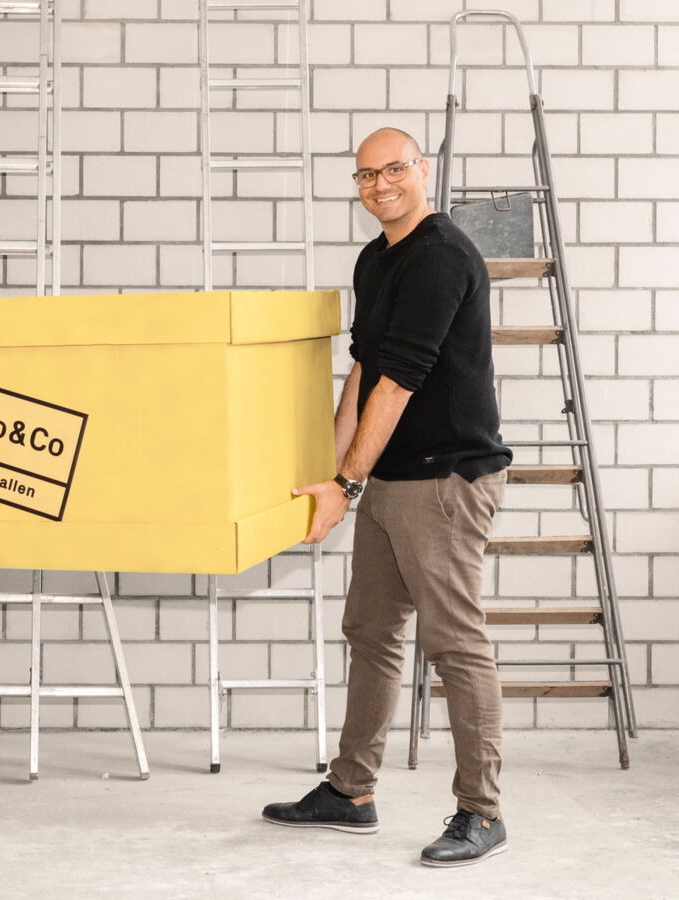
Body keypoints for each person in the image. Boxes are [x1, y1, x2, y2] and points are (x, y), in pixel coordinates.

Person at [261, 128, 512, 867]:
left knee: (455, 644)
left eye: (394, 169)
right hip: (391, 477)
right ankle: (351, 791)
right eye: (366, 175)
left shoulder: (440, 257)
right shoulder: (376, 259)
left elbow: (399, 383)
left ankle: (482, 811)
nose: (381, 185)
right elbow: (365, 371)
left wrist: (346, 483)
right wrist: (332, 472)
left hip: (446, 479)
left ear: (421, 170)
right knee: (370, 630)